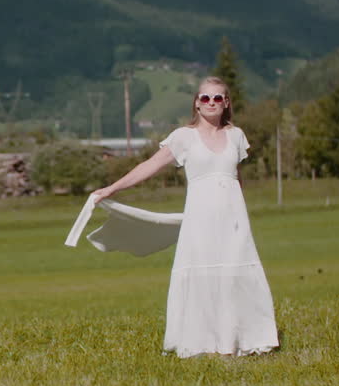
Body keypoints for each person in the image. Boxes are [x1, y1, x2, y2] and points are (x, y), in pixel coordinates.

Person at [88, 77, 279, 357]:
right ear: (196, 104)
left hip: (233, 220)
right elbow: (150, 165)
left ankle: (241, 340)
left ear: (226, 103)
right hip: (200, 220)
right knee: (201, 274)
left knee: (233, 276)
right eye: (205, 98)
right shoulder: (183, 137)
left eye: (217, 98)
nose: (211, 103)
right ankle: (199, 342)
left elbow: (236, 179)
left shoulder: (236, 135)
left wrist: (241, 212)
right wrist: (112, 188)